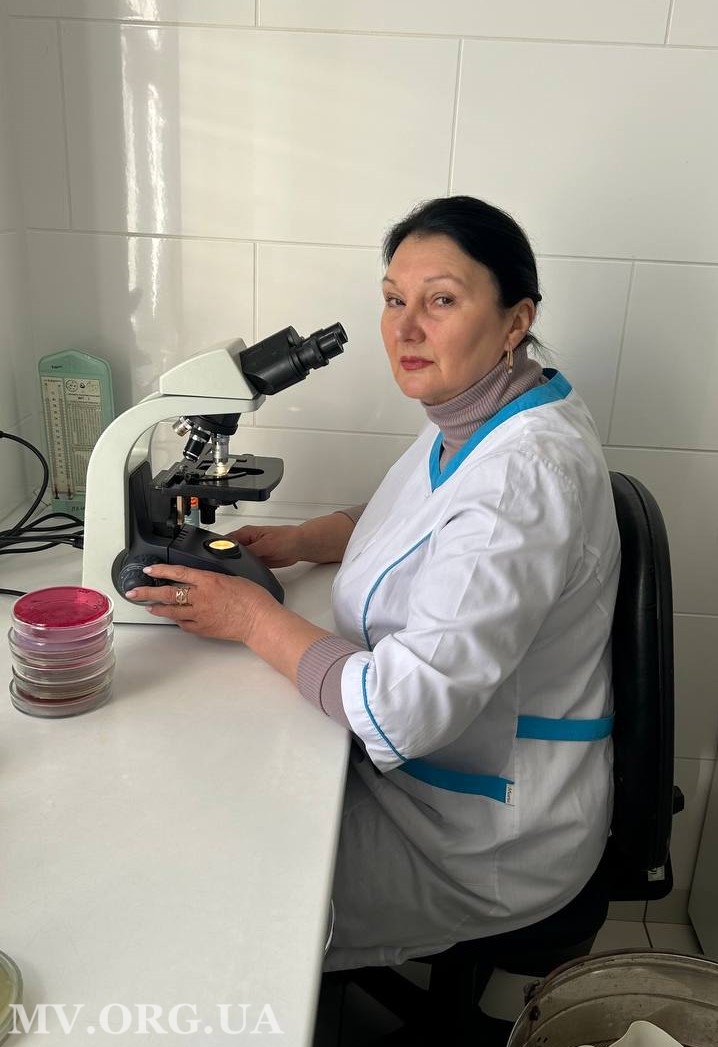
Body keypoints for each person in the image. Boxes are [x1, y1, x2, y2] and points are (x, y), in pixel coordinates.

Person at [126, 195, 620, 971]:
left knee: (220, 900)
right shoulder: (489, 409)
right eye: (394, 300)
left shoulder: (523, 474)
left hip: (481, 836)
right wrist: (300, 539)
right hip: (437, 785)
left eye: (441, 301)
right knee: (212, 801)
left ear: (515, 320)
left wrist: (249, 618)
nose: (406, 327)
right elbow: (424, 514)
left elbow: (400, 708)